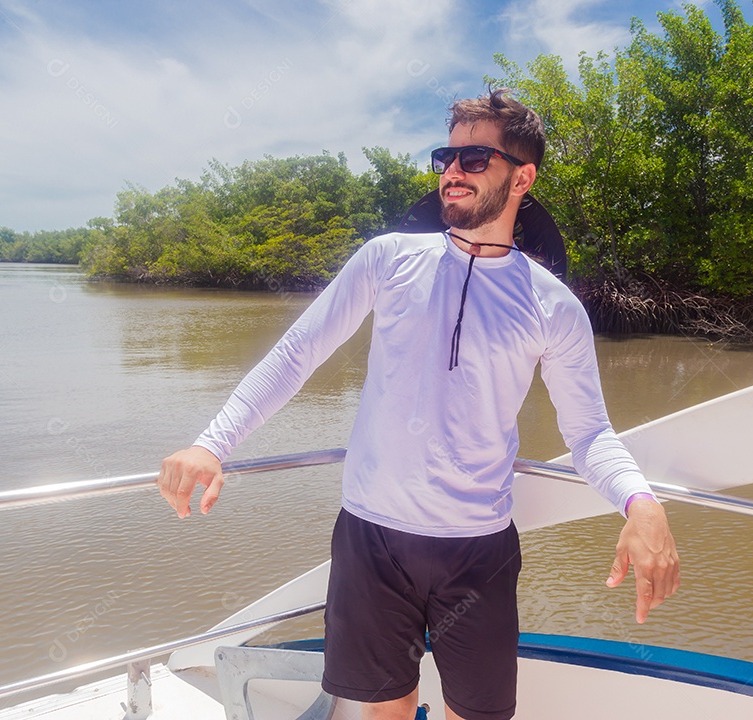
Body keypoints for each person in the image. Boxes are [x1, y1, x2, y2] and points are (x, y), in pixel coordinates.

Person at [157, 89, 680, 720]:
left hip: (479, 550)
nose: (452, 171)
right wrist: (212, 443)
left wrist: (642, 504)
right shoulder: (386, 259)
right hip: (371, 537)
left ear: (523, 178)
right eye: (445, 157)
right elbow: (298, 353)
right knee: (385, 709)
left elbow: (589, 433)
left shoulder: (554, 307)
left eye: (474, 158)